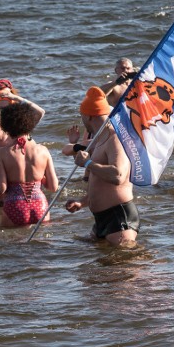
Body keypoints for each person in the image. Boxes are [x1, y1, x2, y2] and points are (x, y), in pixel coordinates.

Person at [64, 86, 138, 246]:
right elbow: (101, 183)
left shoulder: (115, 139)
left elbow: (118, 175)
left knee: (126, 267)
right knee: (99, 267)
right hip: (101, 219)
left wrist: (88, 163)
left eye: (81, 115)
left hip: (118, 216)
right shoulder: (100, 139)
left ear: (89, 116)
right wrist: (81, 202)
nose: (81, 119)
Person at [0, 103, 59, 226]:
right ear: (30, 124)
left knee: (12, 244)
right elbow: (53, 187)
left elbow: (1, 188)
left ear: (6, 126)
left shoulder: (1, 153)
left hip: (14, 205)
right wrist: (40, 180)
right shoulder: (43, 150)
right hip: (40, 204)